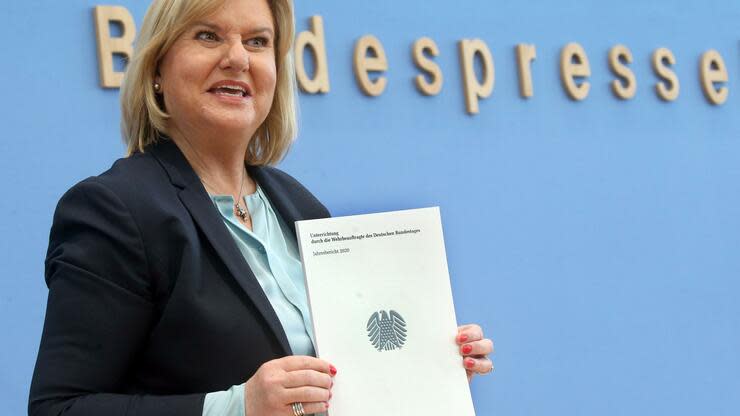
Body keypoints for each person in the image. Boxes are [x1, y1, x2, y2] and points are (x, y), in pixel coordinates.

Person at [29, 0, 494, 415]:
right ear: (157, 67)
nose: (237, 59)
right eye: (207, 36)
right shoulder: (115, 209)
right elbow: (61, 407)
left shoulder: (299, 206)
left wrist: (423, 366)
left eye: (257, 42)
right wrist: (236, 407)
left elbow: (340, 381)